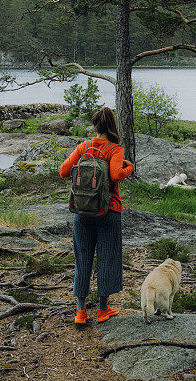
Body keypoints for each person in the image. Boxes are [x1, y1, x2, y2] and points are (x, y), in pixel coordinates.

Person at [59, 106, 134, 325]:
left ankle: (81, 312)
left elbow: (64, 171)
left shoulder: (85, 146)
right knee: (107, 257)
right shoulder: (115, 149)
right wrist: (130, 167)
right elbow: (116, 174)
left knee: (82, 258)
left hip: (82, 211)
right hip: (109, 210)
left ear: (94, 126)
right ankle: (103, 309)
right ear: (111, 127)